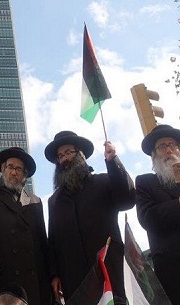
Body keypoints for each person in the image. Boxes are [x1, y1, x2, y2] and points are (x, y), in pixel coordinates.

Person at [45, 131, 135, 305]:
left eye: (69, 152)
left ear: (81, 155)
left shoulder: (104, 182)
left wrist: (112, 161)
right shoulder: (54, 200)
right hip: (74, 278)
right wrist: (54, 274)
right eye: (60, 156)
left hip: (108, 271)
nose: (65, 159)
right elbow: (53, 240)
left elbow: (127, 200)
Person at [0, 147, 50, 305]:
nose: (14, 172)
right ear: (2, 169)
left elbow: (42, 244)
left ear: (25, 175)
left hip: (32, 284)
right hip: (2, 284)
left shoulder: (35, 201)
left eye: (19, 169)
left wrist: (51, 277)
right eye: (10, 167)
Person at [136, 124, 180, 303]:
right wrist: (177, 205)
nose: (169, 150)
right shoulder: (145, 183)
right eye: (162, 146)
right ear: (154, 155)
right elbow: (147, 218)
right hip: (174, 270)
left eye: (172, 145)